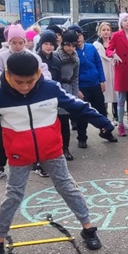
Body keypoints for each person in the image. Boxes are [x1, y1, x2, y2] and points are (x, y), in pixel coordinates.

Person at [0, 53, 116, 254]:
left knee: (68, 187)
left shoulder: (50, 89)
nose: (25, 87)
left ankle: (88, 228)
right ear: (8, 75)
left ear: (37, 73)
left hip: (51, 150)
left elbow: (78, 106)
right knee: (13, 195)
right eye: (19, 82)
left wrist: (103, 123)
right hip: (19, 154)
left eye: (30, 81)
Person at [0, 23, 52, 180]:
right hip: (8, 100)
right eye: (14, 42)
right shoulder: (1, 56)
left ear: (25, 42)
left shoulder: (32, 56)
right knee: (5, 133)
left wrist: (37, 82)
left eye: (20, 42)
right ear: (8, 42)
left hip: (28, 100)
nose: (17, 46)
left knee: (32, 133)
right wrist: (7, 80)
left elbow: (44, 72)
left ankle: (37, 163)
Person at [75, 27, 116, 148]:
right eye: (75, 36)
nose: (78, 38)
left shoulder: (91, 47)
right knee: (82, 113)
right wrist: (77, 88)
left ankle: (106, 132)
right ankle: (82, 138)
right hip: (82, 86)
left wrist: (102, 80)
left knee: (101, 111)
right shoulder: (73, 51)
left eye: (80, 35)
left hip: (95, 84)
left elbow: (98, 64)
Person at [107, 13, 128, 136]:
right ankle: (120, 125)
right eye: (125, 20)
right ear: (121, 23)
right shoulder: (116, 35)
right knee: (121, 99)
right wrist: (113, 54)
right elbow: (109, 49)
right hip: (121, 69)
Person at [54, 30, 80, 160]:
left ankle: (65, 148)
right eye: (68, 45)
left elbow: (75, 78)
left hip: (67, 89)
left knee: (65, 122)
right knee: (54, 123)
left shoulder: (75, 59)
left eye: (73, 45)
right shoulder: (55, 56)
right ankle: (54, 149)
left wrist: (74, 97)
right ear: (63, 44)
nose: (70, 48)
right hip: (55, 89)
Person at [93, 22, 118, 122]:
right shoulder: (96, 45)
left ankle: (116, 117)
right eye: (103, 30)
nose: (106, 32)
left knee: (116, 95)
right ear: (100, 32)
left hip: (114, 72)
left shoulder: (115, 43)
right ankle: (104, 117)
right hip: (103, 72)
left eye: (108, 30)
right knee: (104, 96)